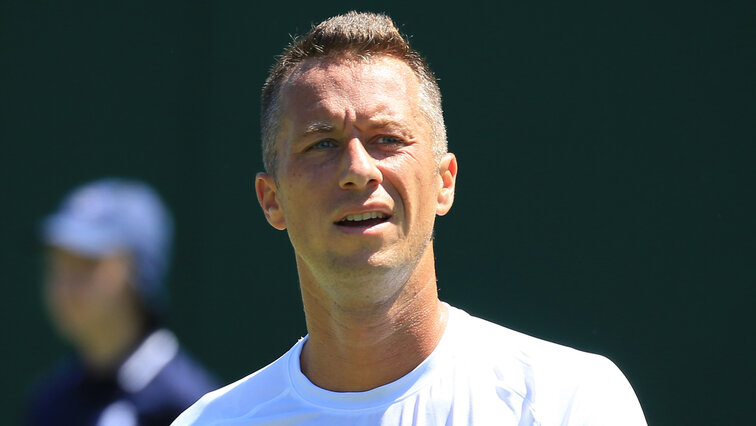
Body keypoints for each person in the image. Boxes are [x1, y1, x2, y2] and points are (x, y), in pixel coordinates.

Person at [174, 11, 647, 425]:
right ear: (271, 199)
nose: (358, 170)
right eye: (322, 143)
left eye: (388, 139)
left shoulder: (566, 401)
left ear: (444, 182)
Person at [25, 178, 218, 426]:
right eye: (57, 264)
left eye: (87, 263)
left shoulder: (190, 406)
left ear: (137, 271)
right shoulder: (49, 402)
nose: (65, 285)